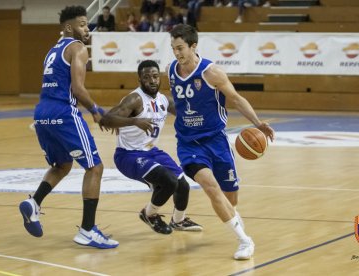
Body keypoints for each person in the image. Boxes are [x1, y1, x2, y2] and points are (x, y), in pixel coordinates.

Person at [167, 24, 274, 260]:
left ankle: (233, 217)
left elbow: (235, 99)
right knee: (210, 187)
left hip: (216, 140)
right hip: (188, 144)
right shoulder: (170, 71)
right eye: (173, 48)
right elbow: (181, 104)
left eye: (181, 48)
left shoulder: (211, 73)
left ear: (193, 46)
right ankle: (245, 241)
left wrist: (257, 123)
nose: (177, 53)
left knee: (230, 198)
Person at [18, 5, 119, 249]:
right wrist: (95, 110)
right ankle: (87, 230)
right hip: (64, 113)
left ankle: (34, 203)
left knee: (62, 165)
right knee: (95, 167)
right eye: (83, 24)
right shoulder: (78, 48)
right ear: (68, 27)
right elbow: (77, 89)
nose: (87, 28)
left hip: (42, 114)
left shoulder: (52, 51)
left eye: (87, 24)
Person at [99, 60, 202, 234]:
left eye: (155, 76)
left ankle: (179, 220)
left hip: (151, 151)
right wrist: (134, 121)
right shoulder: (135, 99)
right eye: (147, 77)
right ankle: (149, 214)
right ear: (139, 80)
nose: (152, 80)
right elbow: (105, 120)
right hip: (128, 155)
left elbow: (187, 113)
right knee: (168, 181)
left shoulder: (163, 100)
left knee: (182, 184)